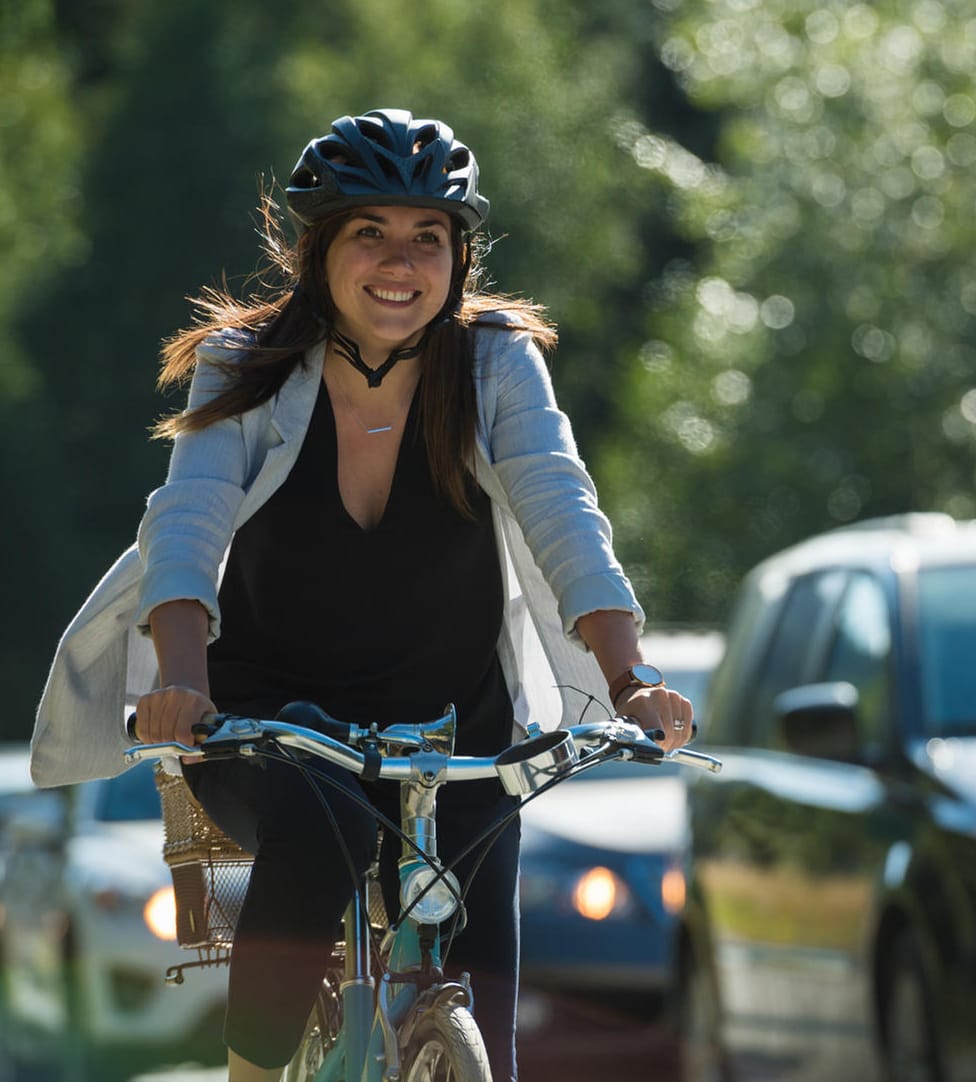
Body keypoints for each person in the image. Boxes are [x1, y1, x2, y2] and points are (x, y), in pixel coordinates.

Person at [30, 108, 694, 1082]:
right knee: (319, 822)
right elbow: (189, 520)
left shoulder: (495, 361)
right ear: (319, 249)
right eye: (370, 232)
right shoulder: (249, 364)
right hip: (272, 722)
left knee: (487, 1014)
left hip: (457, 722)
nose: (401, 261)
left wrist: (630, 677)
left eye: (429, 236)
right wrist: (179, 680)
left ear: (459, 256)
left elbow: (563, 508)